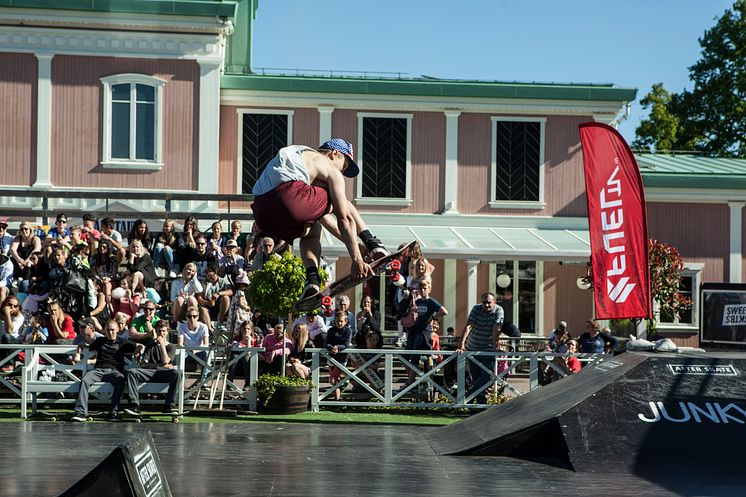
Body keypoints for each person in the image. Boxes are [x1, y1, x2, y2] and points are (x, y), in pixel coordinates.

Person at [251, 139, 389, 299]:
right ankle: (373, 243)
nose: (342, 172)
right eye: (343, 165)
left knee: (312, 230)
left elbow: (321, 215)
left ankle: (312, 279)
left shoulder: (299, 155)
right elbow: (343, 219)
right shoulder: (327, 165)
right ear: (334, 153)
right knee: (342, 202)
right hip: (290, 198)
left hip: (263, 214)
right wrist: (356, 259)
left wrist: (355, 246)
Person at [71, 319, 137, 422]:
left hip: (114, 371)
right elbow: (89, 346)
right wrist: (81, 346)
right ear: (105, 330)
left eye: (112, 330)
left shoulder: (123, 342)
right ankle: (81, 412)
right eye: (108, 330)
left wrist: (139, 349)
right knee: (85, 380)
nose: (110, 332)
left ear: (118, 329)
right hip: (98, 370)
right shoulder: (100, 341)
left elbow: (138, 346)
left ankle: (113, 412)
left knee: (121, 380)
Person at [456, 291, 504, 404]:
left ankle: (467, 397)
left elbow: (496, 328)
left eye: (489, 303)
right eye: (484, 303)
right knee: (477, 379)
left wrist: (493, 347)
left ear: (494, 302)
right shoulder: (476, 309)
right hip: (473, 347)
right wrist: (461, 344)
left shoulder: (499, 310)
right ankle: (480, 405)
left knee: (488, 377)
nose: (486, 305)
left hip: (488, 348)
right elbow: (469, 325)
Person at [123, 320, 180, 415]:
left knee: (176, 373)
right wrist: (162, 366)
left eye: (164, 331)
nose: (161, 334)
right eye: (159, 331)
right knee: (132, 372)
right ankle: (134, 406)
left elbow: (166, 360)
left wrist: (161, 344)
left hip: (162, 374)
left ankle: (168, 406)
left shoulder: (171, 346)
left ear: (167, 332)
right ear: (156, 332)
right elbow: (144, 364)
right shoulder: (150, 346)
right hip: (149, 373)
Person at [402, 281, 447, 386]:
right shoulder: (417, 302)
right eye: (421, 288)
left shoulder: (431, 301)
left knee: (415, 355)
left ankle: (412, 381)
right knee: (405, 356)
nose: (423, 291)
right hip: (414, 330)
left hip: (424, 331)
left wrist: (432, 316)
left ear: (429, 289)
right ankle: (411, 379)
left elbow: (444, 311)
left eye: (425, 288)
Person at [324, 310, 352, 400]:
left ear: (345, 321)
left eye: (341, 321)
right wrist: (331, 348)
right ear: (335, 320)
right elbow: (326, 343)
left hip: (342, 358)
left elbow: (346, 344)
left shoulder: (348, 331)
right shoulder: (331, 330)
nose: (339, 323)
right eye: (337, 321)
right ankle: (344, 383)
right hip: (331, 357)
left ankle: (337, 399)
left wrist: (337, 348)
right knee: (332, 380)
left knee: (335, 380)